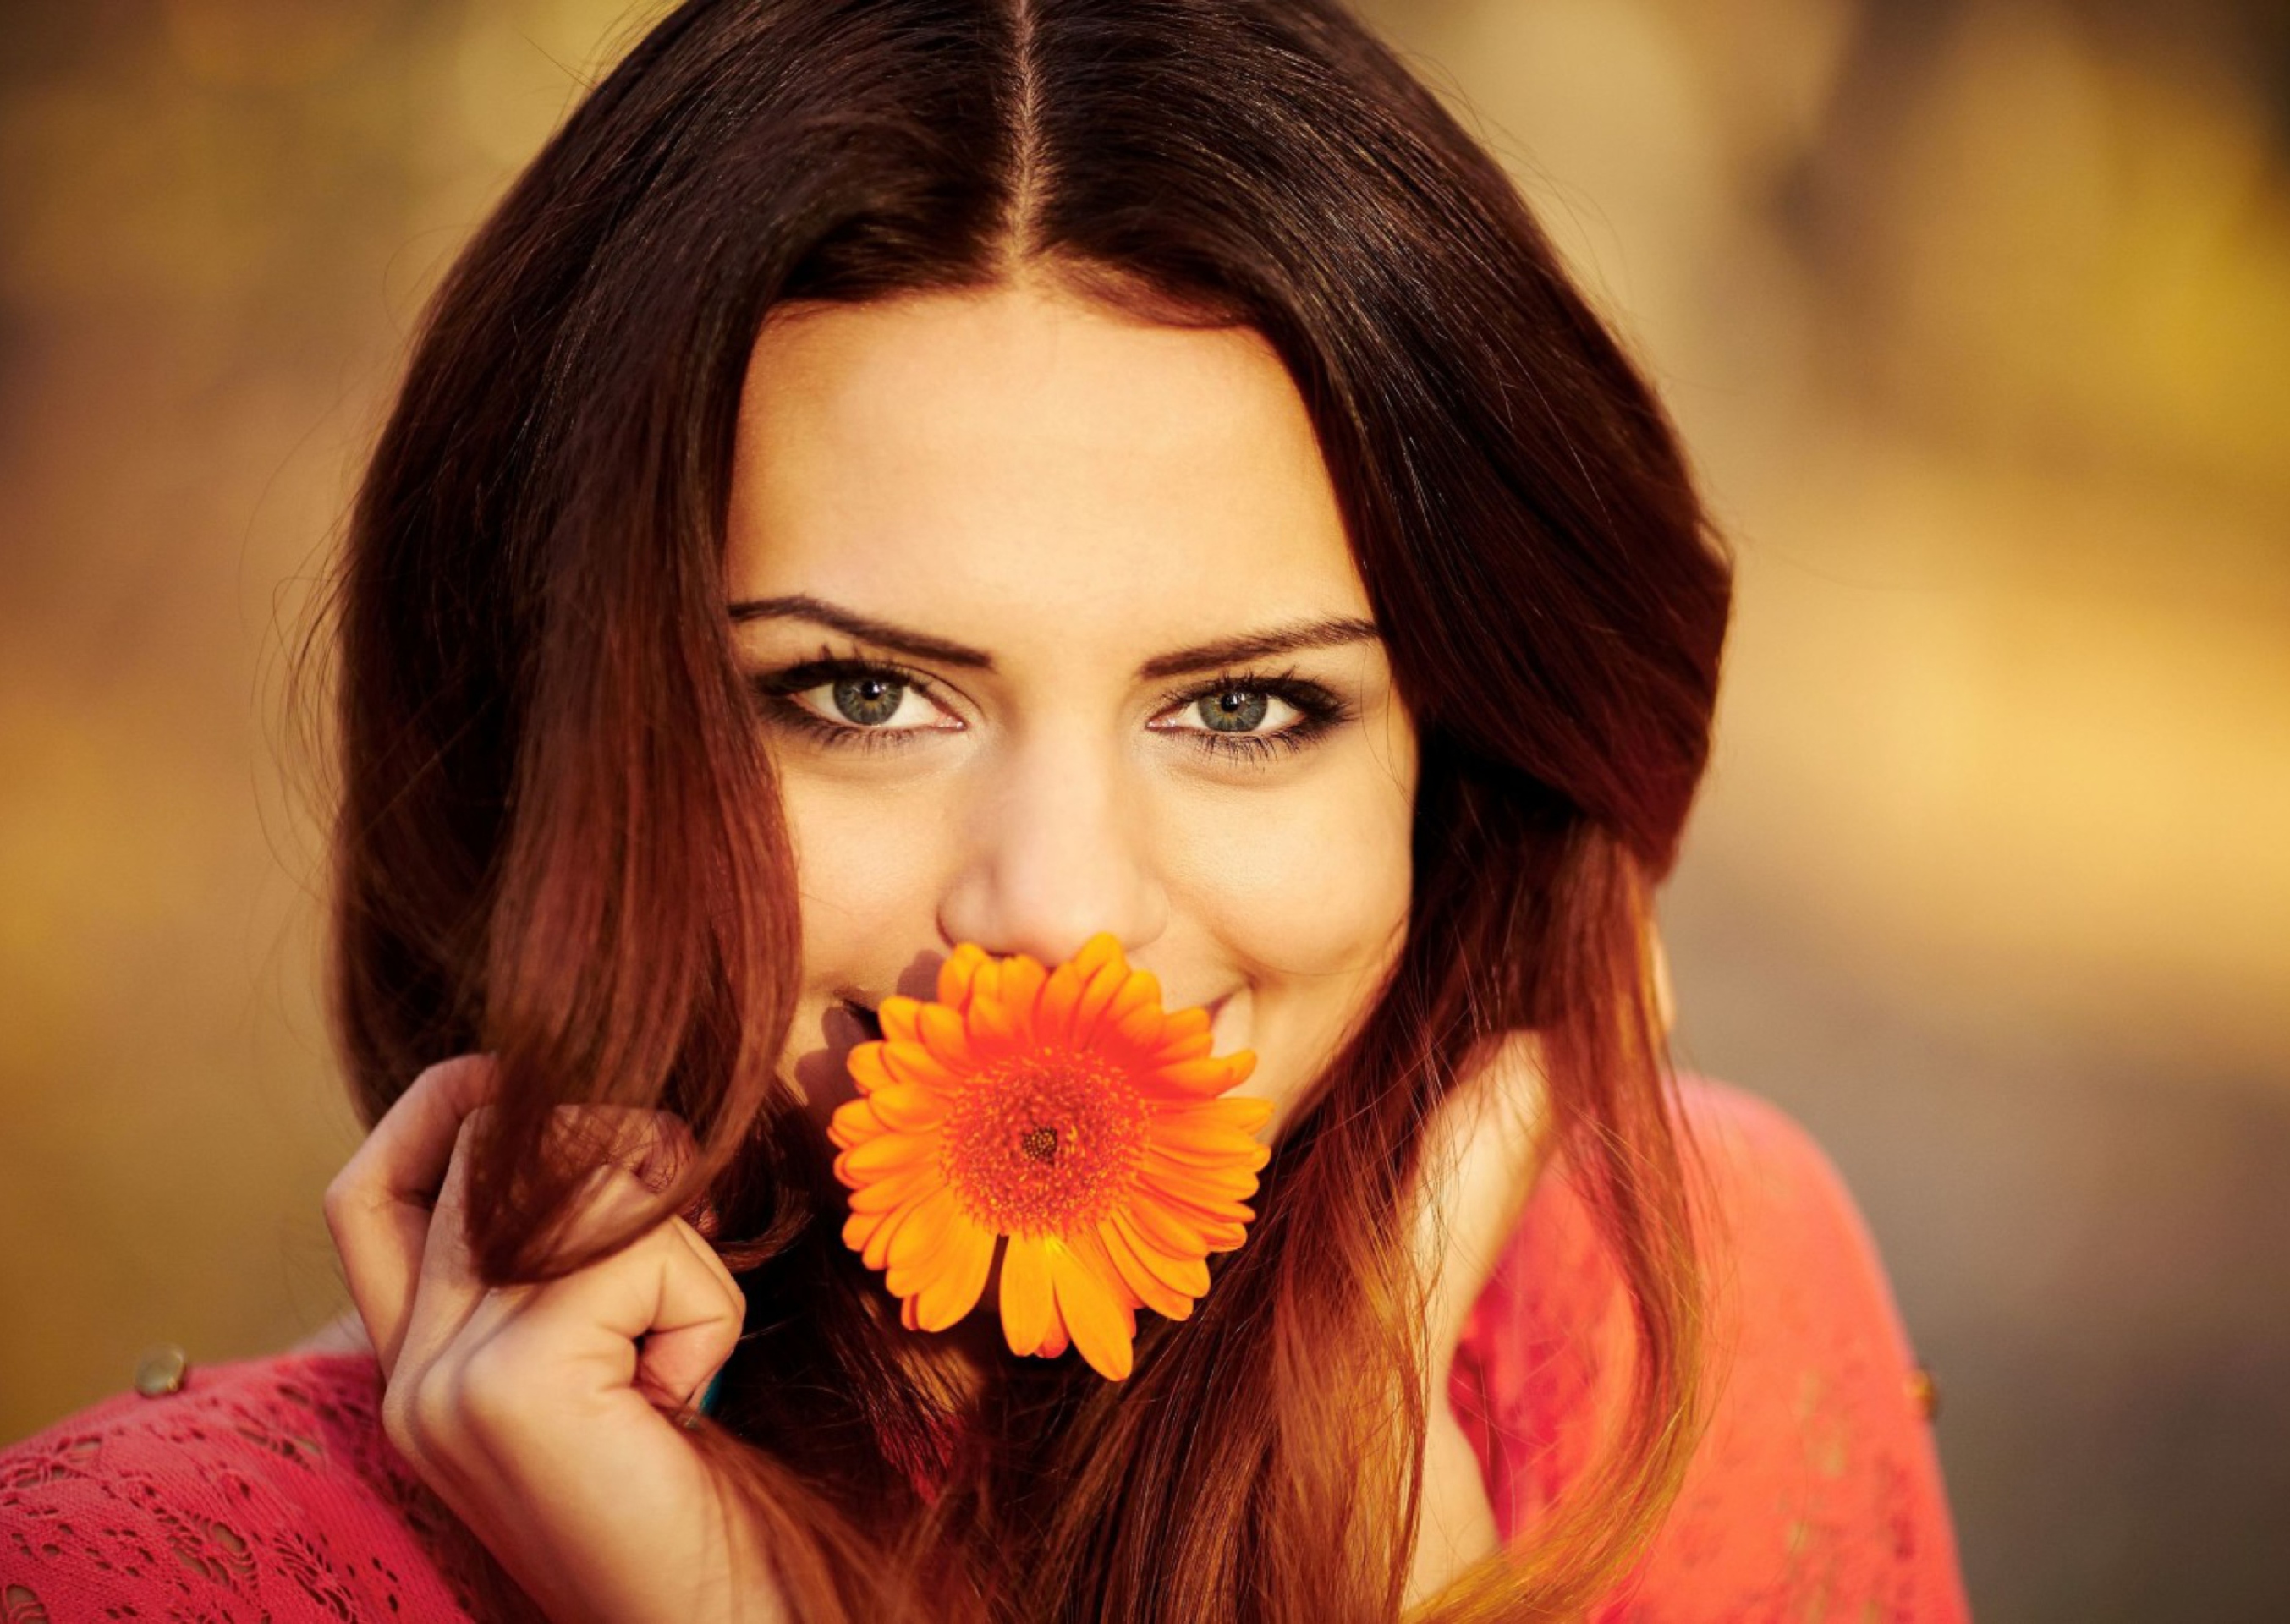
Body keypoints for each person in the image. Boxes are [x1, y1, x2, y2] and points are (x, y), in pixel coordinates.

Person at [0, 1, 1967, 1618]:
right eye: (863, 696)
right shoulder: (135, 1574)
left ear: (1460, 763)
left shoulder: (1661, 1305)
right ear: (556, 728)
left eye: (1251, 706)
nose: (1058, 914)